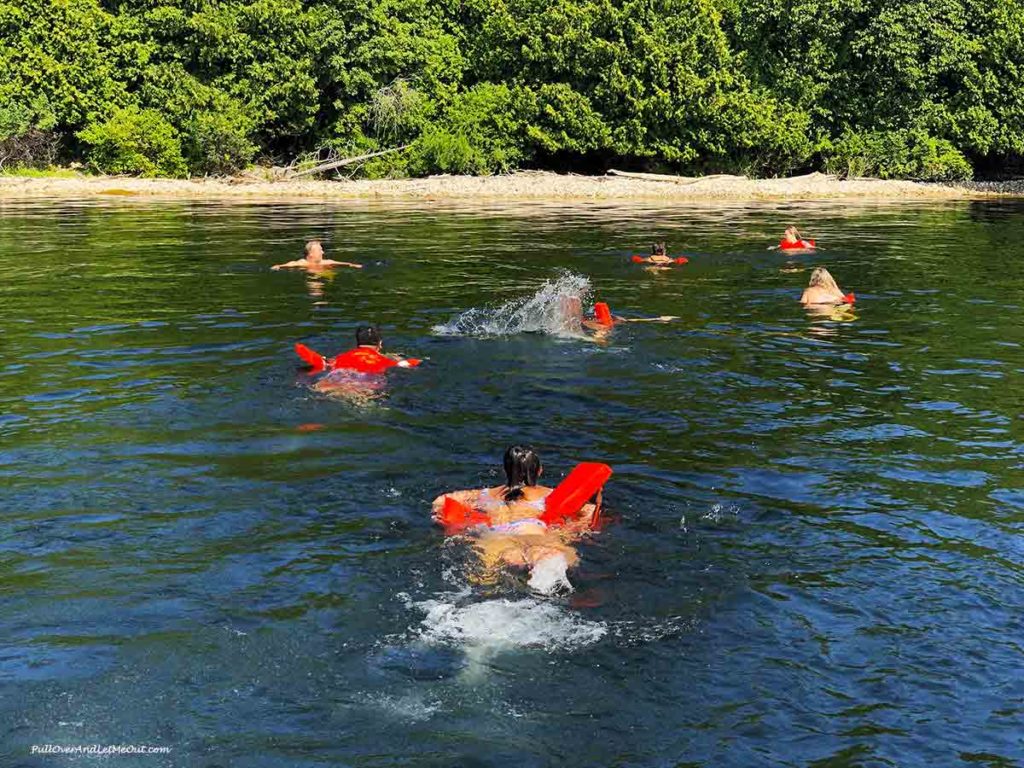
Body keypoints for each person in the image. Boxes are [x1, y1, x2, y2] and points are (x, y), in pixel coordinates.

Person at [432, 446, 599, 592]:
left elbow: (441, 501)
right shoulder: (550, 495)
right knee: (553, 556)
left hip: (496, 539)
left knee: (483, 582)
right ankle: (541, 573)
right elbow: (586, 513)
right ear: (539, 470)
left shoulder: (483, 494)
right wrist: (581, 521)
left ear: (505, 470)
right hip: (535, 535)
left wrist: (444, 519)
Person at [296, 325, 421, 374]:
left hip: (334, 381)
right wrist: (422, 360)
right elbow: (408, 364)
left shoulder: (338, 358)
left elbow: (324, 363)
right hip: (365, 386)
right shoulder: (384, 360)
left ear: (358, 342)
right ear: (380, 343)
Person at [271, 240, 363, 271]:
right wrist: (278, 266)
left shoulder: (326, 262)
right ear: (311, 253)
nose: (322, 253)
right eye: (320, 250)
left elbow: (346, 264)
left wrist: (353, 265)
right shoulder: (302, 263)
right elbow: (288, 265)